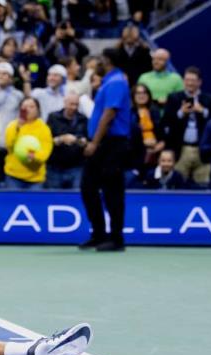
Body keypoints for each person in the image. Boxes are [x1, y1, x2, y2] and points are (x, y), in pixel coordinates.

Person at [79, 48, 132, 252]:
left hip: (112, 144)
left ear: (108, 61)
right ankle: (99, 234)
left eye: (100, 59)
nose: (97, 62)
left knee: (113, 191)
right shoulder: (110, 81)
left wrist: (94, 142)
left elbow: (109, 114)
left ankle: (116, 238)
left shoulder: (117, 82)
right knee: (88, 187)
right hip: (104, 143)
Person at [161, 67, 211, 188]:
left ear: (199, 82)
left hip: (202, 151)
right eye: (187, 80)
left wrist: (203, 111)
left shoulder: (209, 99)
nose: (190, 83)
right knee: (178, 185)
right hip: (181, 150)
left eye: (193, 80)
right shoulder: (174, 98)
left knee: (203, 186)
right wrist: (181, 112)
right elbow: (166, 122)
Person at [3, 97, 53, 190]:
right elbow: (9, 146)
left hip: (35, 179)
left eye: (31, 106)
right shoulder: (13, 126)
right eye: (25, 106)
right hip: (14, 176)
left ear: (38, 110)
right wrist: (18, 128)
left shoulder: (44, 129)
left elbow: (45, 152)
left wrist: (32, 155)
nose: (27, 109)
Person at [46, 93, 88, 189]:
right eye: (71, 104)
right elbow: (46, 140)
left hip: (76, 167)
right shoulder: (53, 117)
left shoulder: (83, 119)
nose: (74, 107)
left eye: (76, 104)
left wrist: (76, 140)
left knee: (77, 196)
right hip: (55, 168)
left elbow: (87, 141)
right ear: (65, 103)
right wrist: (61, 139)